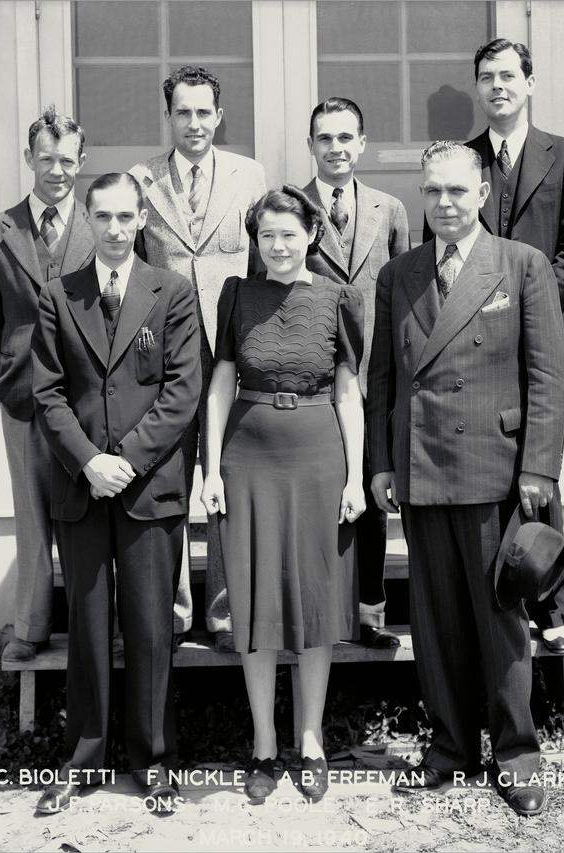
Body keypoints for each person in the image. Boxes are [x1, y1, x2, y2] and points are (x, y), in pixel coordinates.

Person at [369, 142, 564, 816]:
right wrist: (380, 462)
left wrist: (538, 466)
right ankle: (452, 744)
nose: (445, 204)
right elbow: (382, 380)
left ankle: (515, 754)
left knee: (501, 622)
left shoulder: (521, 265)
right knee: (436, 620)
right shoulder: (400, 274)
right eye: (433, 192)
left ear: (482, 193)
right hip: (422, 468)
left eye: (457, 191)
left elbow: (547, 376)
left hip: (495, 470)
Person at [29, 172, 201, 815]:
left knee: (153, 630)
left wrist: (122, 461)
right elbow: (46, 392)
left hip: (148, 489)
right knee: (88, 628)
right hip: (81, 489)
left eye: (127, 217)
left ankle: (155, 763)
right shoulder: (58, 295)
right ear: (88, 220)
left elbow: (183, 391)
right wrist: (88, 463)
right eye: (103, 217)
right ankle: (84, 762)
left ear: (141, 222)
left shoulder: (172, 292)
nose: (116, 229)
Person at [423, 39, 564, 653]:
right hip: (473, 340)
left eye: (508, 75)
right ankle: (493, 597)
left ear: (530, 81)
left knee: (538, 468)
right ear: (477, 88)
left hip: (547, 336)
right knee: (490, 470)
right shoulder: (457, 164)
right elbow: (440, 254)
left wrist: (533, 312)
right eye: (486, 77)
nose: (498, 86)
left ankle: (551, 601)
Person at [200, 187, 365, 803]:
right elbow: (220, 380)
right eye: (267, 234)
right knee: (257, 603)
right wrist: (210, 468)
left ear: (312, 234)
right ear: (256, 239)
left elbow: (349, 393)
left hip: (319, 458)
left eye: (289, 233)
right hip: (248, 458)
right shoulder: (237, 296)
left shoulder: (337, 299)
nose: (278, 245)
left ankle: (312, 740)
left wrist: (355, 478)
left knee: (315, 602)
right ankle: (265, 746)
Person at [130, 65, 268, 652]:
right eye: (182, 112)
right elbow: (134, 272)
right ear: (169, 116)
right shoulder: (143, 180)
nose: (194, 123)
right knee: (169, 483)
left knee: (226, 480)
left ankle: (224, 609)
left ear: (219, 115)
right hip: (166, 358)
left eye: (203, 112)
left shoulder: (249, 175)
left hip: (231, 353)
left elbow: (262, 261)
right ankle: (175, 609)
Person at [0, 107, 95, 663]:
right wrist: (20, 358)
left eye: (68, 160)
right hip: (23, 394)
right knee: (31, 512)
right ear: (29, 159)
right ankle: (32, 624)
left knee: (91, 512)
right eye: (47, 159)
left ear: (82, 162)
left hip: (90, 395)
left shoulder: (104, 228)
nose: (58, 170)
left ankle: (99, 622)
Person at [303, 97, 410, 649]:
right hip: (311, 379)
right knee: (320, 494)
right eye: (325, 138)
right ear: (311, 145)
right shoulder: (290, 208)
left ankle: (370, 610)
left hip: (371, 379)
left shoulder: (390, 210)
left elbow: (405, 295)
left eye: (347, 138)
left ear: (362, 144)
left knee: (370, 493)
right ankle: (320, 609)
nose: (336, 148)